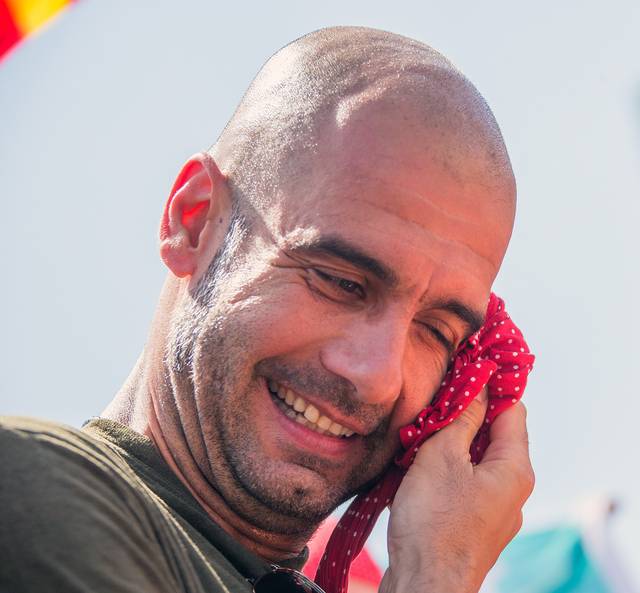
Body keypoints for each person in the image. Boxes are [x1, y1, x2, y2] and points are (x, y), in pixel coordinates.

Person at [0, 26, 534, 593]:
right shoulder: (33, 487)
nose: (377, 375)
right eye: (340, 282)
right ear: (196, 221)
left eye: (436, 332)